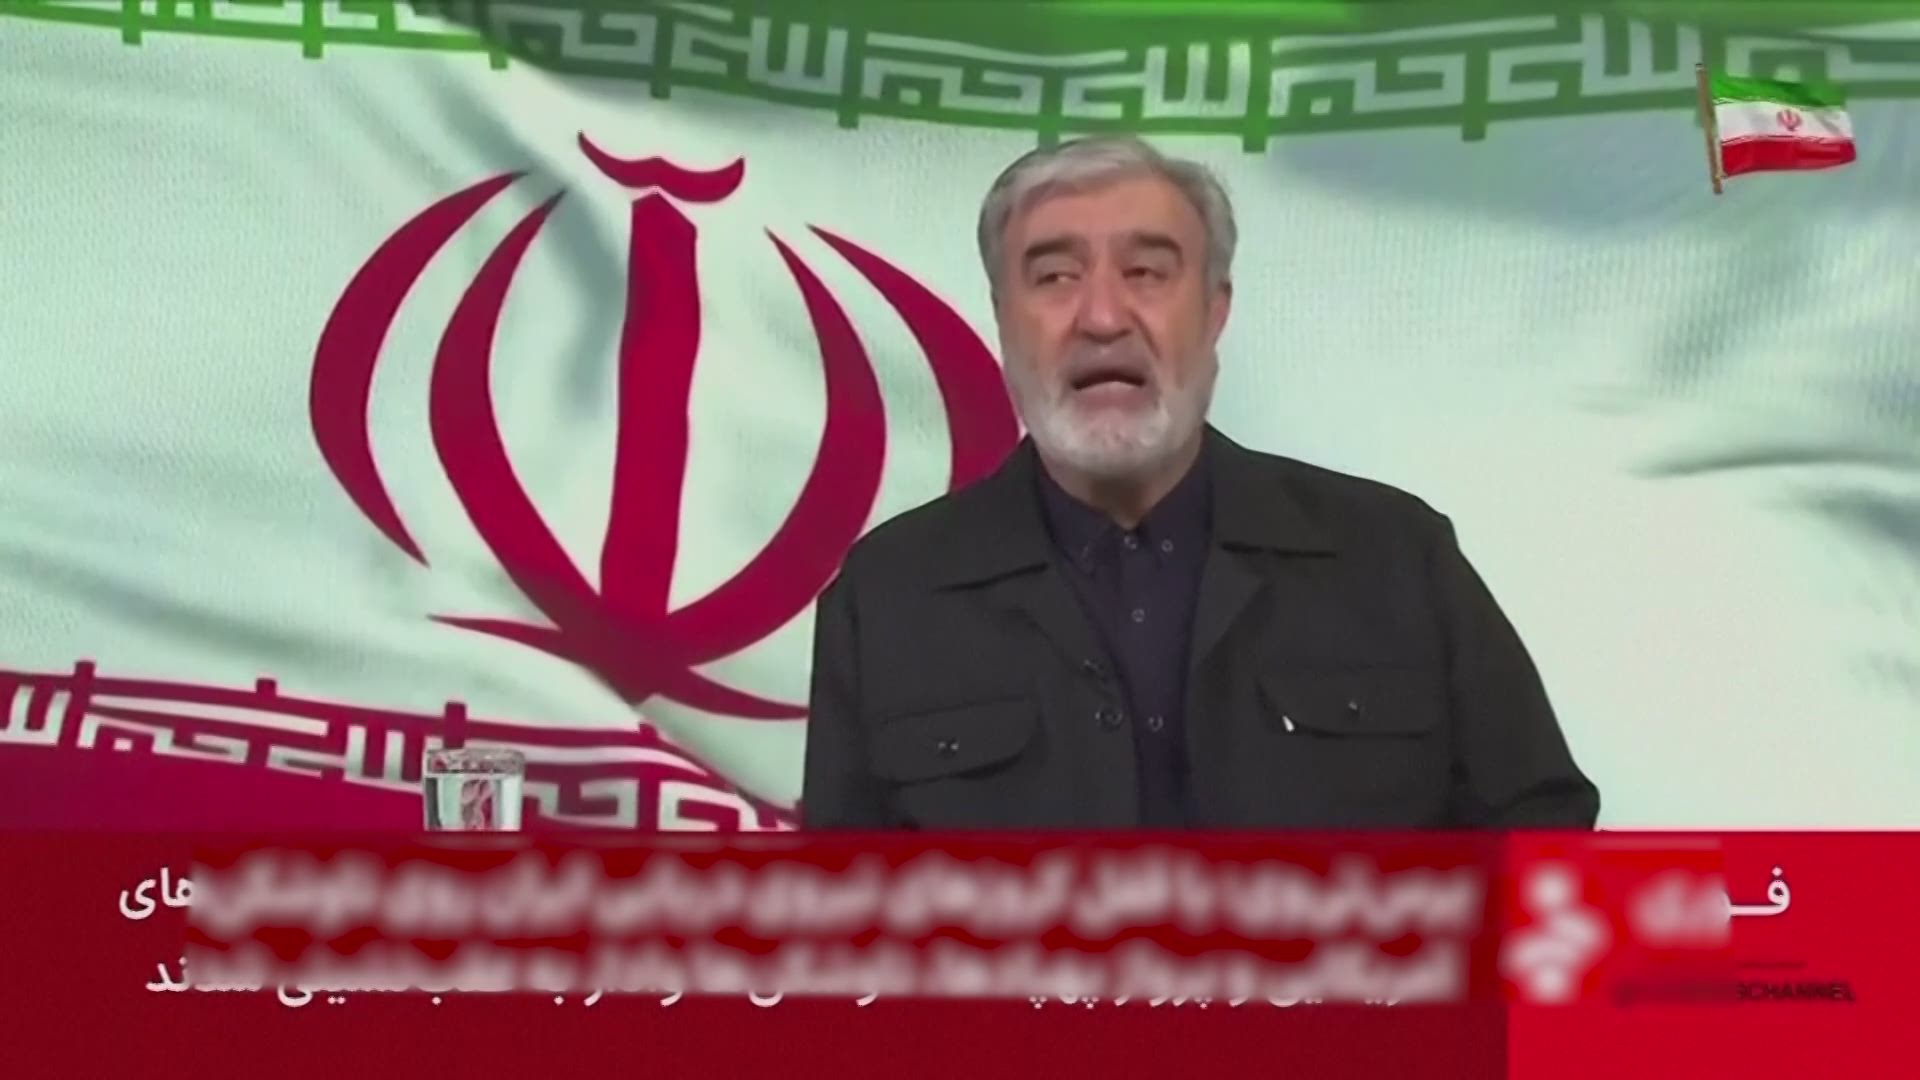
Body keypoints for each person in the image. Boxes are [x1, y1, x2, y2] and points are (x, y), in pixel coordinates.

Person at [800, 135, 1599, 829]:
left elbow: (1541, 841)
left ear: (1215, 314)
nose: (1103, 317)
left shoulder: (1395, 556)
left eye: (1147, 272)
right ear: (1003, 321)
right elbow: (845, 917)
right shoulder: (887, 597)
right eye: (1054, 277)